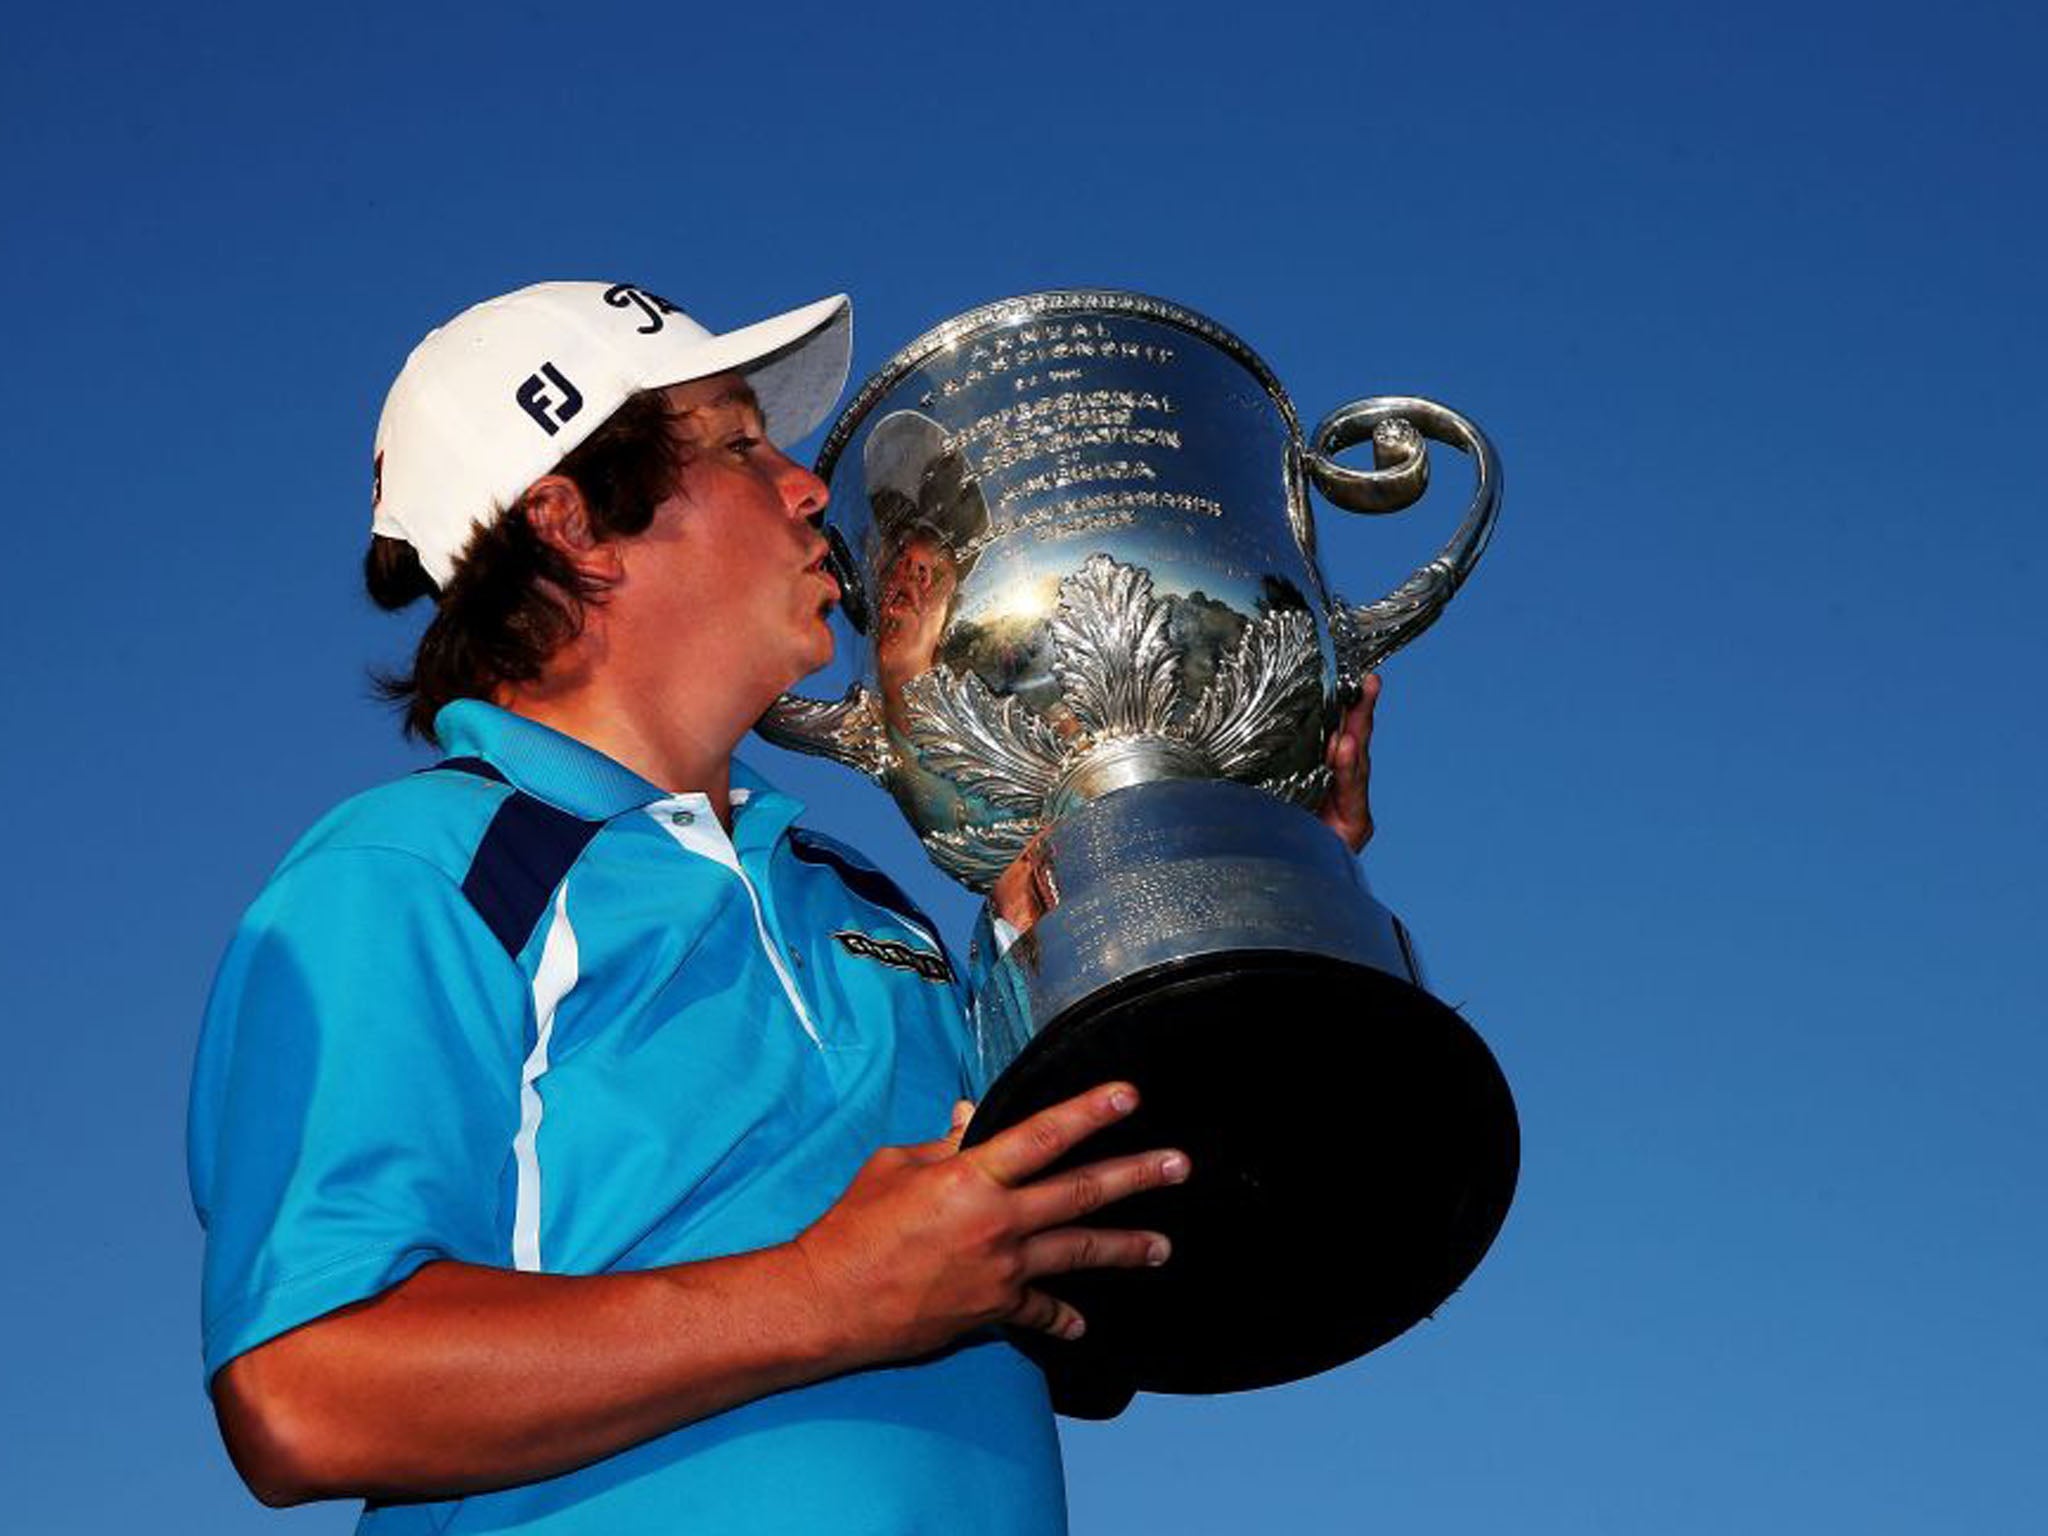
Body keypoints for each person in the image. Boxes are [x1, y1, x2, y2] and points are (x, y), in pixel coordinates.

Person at [188, 280, 1378, 1535]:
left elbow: (1092, 1296)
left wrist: (1235, 876)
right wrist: (824, 1292)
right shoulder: (409, 871)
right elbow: (303, 1392)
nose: (809, 487)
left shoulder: (874, 910)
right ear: (574, 523)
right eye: (740, 446)